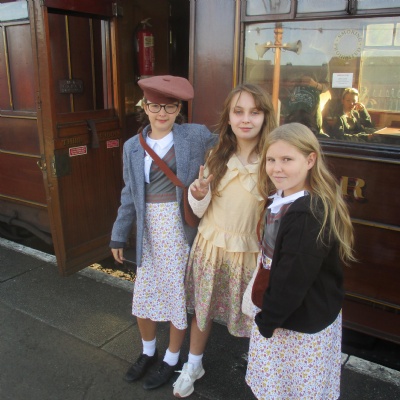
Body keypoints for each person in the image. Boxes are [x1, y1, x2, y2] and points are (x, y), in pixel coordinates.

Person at [110, 75, 216, 391]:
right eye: (155, 106)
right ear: (144, 106)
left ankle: (171, 359)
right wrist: (119, 233)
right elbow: (129, 193)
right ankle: (148, 352)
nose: (162, 113)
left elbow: (231, 142)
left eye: (170, 107)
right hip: (149, 231)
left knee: (174, 295)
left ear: (178, 109)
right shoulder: (132, 146)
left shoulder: (195, 135)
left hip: (179, 230)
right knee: (144, 293)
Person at [173, 83, 277, 398]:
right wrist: (198, 194)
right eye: (238, 111)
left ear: (265, 116)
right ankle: (193, 364)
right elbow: (199, 210)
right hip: (211, 246)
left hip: (250, 253)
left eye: (254, 112)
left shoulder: (273, 160)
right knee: (202, 310)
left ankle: (262, 374)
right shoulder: (215, 154)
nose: (246, 119)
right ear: (228, 117)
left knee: (256, 316)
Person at [245, 123, 356, 399]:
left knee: (292, 389)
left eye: (287, 159)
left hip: (296, 321)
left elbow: (292, 280)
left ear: (310, 160)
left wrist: (268, 320)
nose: (276, 168)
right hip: (290, 312)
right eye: (271, 160)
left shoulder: (306, 215)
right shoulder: (283, 198)